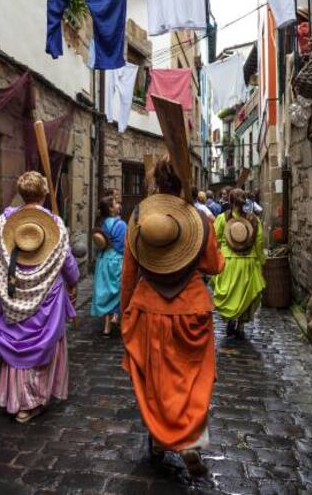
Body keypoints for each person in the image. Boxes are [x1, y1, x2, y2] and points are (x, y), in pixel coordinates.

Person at [121, 156, 224, 478]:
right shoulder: (198, 218)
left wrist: (125, 311)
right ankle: (189, 439)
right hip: (191, 308)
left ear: (155, 181)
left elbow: (130, 270)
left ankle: (160, 437)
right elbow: (214, 266)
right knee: (192, 381)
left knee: (155, 380)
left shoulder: (140, 217)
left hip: (148, 308)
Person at [0, 171, 79, 423]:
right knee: (41, 351)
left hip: (11, 297)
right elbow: (68, 261)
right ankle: (31, 401)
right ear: (44, 194)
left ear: (22, 194)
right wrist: (73, 282)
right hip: (47, 301)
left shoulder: (1, 223)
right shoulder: (55, 224)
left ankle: (13, 399)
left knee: (15, 350)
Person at [213, 188, 266, 339]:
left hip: (228, 261)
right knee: (245, 295)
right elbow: (259, 242)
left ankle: (230, 319)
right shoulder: (254, 220)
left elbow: (215, 240)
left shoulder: (223, 218)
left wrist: (215, 259)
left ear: (229, 201)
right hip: (248, 262)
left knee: (229, 293)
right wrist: (261, 260)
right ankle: (241, 326)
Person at [92, 196, 127, 336]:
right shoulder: (121, 225)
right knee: (118, 291)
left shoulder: (101, 223)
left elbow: (99, 244)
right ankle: (117, 317)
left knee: (106, 292)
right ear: (112, 209)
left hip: (103, 260)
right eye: (116, 203)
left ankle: (106, 327)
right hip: (116, 260)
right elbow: (124, 245)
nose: (118, 205)